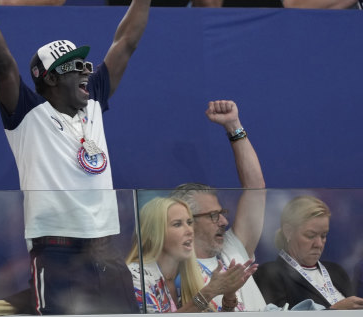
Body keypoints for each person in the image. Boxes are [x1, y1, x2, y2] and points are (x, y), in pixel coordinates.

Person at [0, 0, 170, 315]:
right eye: (76, 67)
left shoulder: (93, 103)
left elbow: (126, 41)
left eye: (86, 64)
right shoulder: (28, 115)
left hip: (106, 248)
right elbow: (2, 65)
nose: (88, 71)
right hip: (57, 251)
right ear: (52, 78)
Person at [170, 100, 267, 311]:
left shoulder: (233, 248)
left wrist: (234, 126)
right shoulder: (173, 270)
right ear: (188, 222)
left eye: (222, 213)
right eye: (214, 215)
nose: (224, 221)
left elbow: (255, 189)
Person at [126, 196, 258, 313]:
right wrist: (208, 292)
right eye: (177, 224)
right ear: (154, 235)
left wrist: (229, 297)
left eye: (189, 223)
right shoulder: (136, 275)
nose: (189, 230)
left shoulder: (196, 273)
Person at [254, 195, 363, 310]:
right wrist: (333, 311)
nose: (319, 244)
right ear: (288, 232)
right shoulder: (269, 274)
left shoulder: (337, 271)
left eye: (323, 236)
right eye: (310, 236)